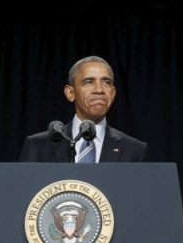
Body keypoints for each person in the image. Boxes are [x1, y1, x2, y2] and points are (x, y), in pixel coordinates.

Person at [19, 55, 148, 162]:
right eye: (89, 82)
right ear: (70, 93)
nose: (99, 90)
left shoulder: (135, 150)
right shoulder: (37, 146)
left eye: (106, 82)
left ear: (113, 93)